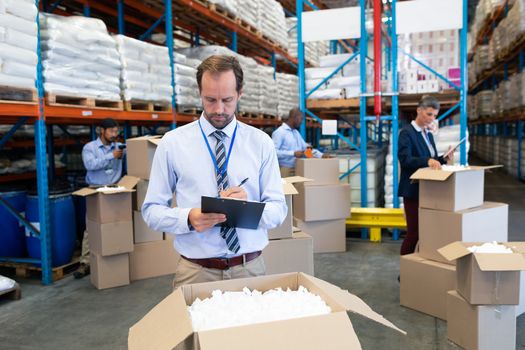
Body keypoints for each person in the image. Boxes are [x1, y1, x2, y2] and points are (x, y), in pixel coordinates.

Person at [142, 55, 287, 288]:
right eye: (210, 100)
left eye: (227, 100)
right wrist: (188, 218)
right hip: (195, 272)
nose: (219, 110)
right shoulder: (172, 144)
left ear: (240, 94)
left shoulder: (261, 143)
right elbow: (151, 211)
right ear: (200, 93)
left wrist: (248, 206)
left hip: (249, 269)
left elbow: (279, 211)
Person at [398, 95, 452, 256]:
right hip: (413, 190)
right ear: (418, 110)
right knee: (413, 233)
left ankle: (418, 268)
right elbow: (405, 159)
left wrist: (443, 158)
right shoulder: (407, 133)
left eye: (434, 115)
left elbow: (431, 160)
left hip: (428, 189)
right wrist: (427, 160)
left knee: (427, 232)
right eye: (429, 114)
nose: (432, 118)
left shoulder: (426, 134)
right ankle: (406, 272)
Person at [74, 118, 124, 279]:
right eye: (111, 131)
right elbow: (90, 165)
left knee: (117, 225)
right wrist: (111, 156)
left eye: (116, 131)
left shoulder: (120, 147)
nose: (114, 135)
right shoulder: (89, 148)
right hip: (96, 190)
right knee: (92, 227)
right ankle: (86, 262)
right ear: (101, 130)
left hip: (116, 190)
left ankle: (116, 256)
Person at [272, 107, 331, 177]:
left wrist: (321, 155)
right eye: (301, 119)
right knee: (287, 188)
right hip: (285, 169)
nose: (302, 121)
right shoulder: (279, 132)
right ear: (294, 117)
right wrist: (293, 153)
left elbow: (306, 149)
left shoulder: (296, 133)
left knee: (299, 187)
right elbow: (274, 152)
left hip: (298, 167)